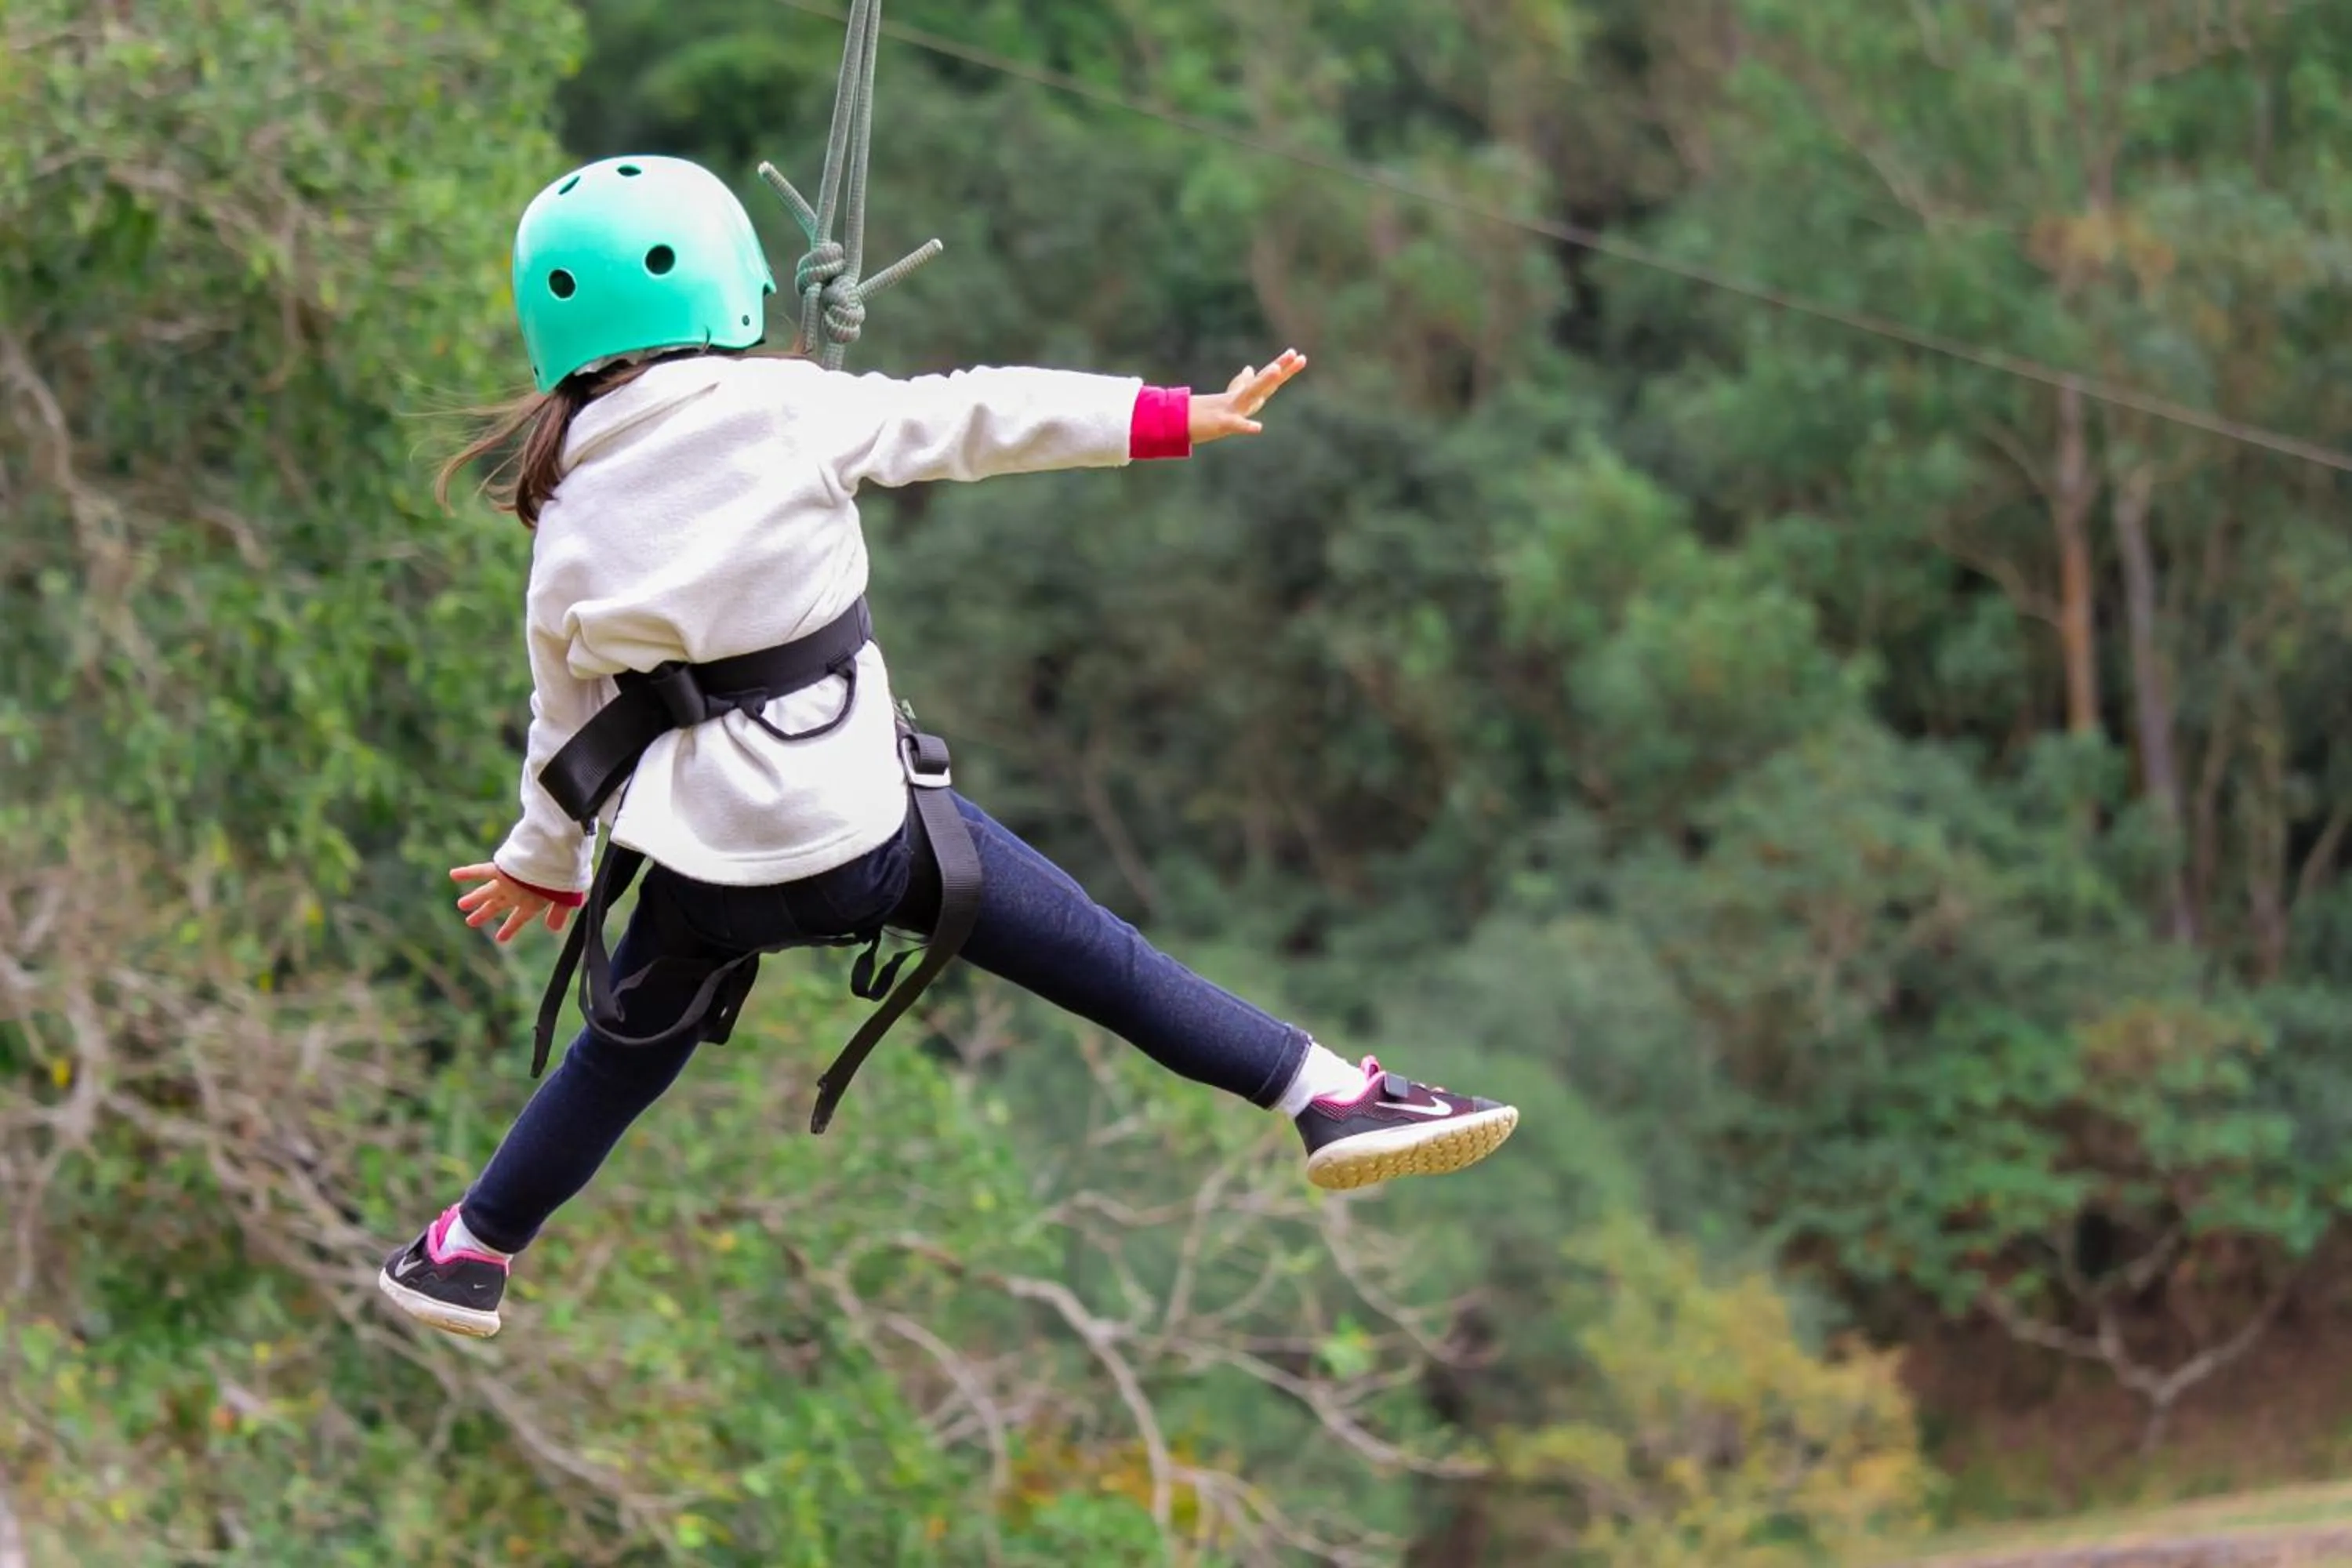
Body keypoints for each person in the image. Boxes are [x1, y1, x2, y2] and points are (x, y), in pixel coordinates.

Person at [378, 154, 1518, 1340]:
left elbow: (564, 725)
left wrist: (541, 864)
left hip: (709, 872)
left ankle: (468, 1250)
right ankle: (1327, 1093)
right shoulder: (790, 408)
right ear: (724, 281)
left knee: (619, 1059)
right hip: (859, 831)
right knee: (1101, 960)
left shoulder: (563, 515)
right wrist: (1174, 415)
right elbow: (978, 414)